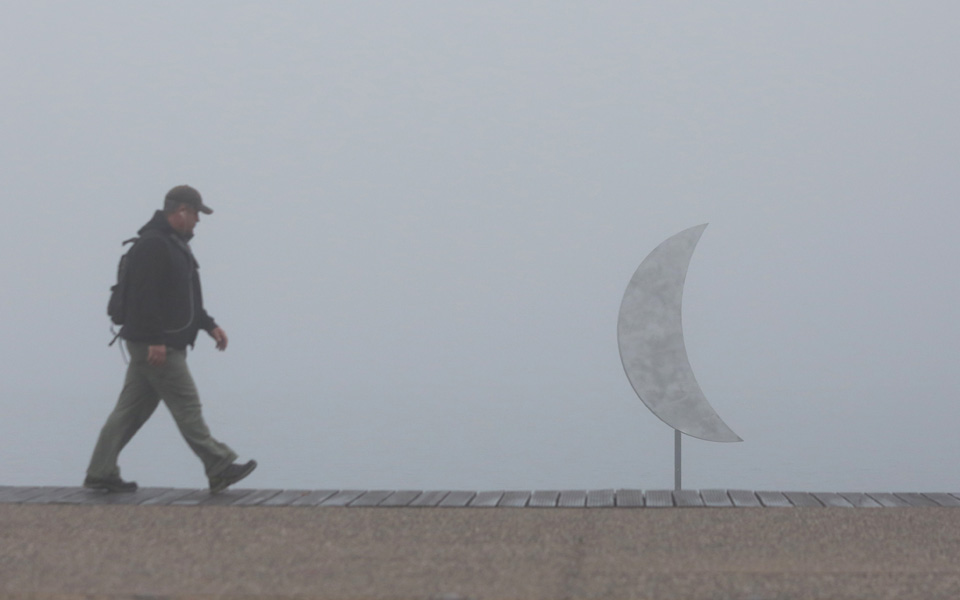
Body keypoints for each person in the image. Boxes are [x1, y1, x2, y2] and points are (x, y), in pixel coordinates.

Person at [85, 185, 256, 494]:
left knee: (130, 412)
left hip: (155, 342)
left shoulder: (173, 245)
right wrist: (155, 340)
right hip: (157, 344)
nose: (198, 222)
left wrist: (209, 325)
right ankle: (219, 466)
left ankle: (100, 471)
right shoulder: (154, 245)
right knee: (187, 404)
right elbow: (144, 297)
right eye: (196, 215)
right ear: (181, 212)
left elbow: (183, 297)